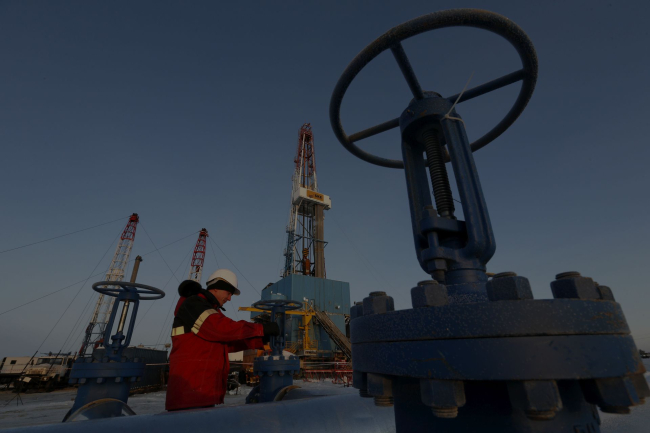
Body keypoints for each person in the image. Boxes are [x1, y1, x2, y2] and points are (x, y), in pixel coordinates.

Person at [165, 269, 279, 411]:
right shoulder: (193, 304)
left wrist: (260, 339)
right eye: (228, 293)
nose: (229, 298)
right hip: (190, 390)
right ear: (217, 288)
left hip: (201, 390)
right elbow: (222, 328)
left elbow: (226, 343)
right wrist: (260, 328)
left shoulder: (211, 310)